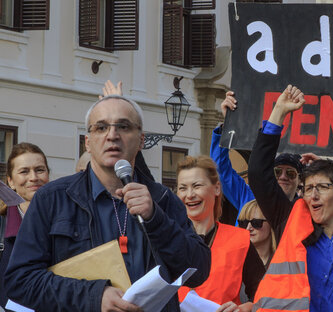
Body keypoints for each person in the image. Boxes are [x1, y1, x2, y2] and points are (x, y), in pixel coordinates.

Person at [4, 94, 210, 311]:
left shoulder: (163, 199)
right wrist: (93, 296)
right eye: (101, 128)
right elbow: (20, 280)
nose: (112, 135)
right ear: (88, 142)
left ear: (141, 140)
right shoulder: (52, 199)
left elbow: (198, 271)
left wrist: (156, 220)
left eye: (123, 126)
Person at [248, 85, 333, 312]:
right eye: (308, 188)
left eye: (322, 187)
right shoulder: (290, 220)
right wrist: (279, 112)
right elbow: (258, 174)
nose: (312, 195)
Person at [176, 155, 264, 311]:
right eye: (183, 188)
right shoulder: (166, 239)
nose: (189, 194)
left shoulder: (240, 240)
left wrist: (245, 308)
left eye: (196, 186)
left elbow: (264, 294)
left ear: (216, 188)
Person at [211, 91, 302, 219]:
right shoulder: (248, 197)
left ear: (299, 180)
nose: (283, 177)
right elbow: (220, 168)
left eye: (290, 173)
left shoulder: (305, 211)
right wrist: (228, 125)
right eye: (277, 171)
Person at [0, 142, 50, 307]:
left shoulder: (64, 217)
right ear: (11, 182)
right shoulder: (2, 224)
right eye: (24, 171)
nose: (33, 177)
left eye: (40, 170)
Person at [238, 200, 276, 267]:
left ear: (271, 224)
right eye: (244, 223)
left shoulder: (284, 260)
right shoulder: (235, 260)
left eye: (256, 223)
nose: (248, 228)